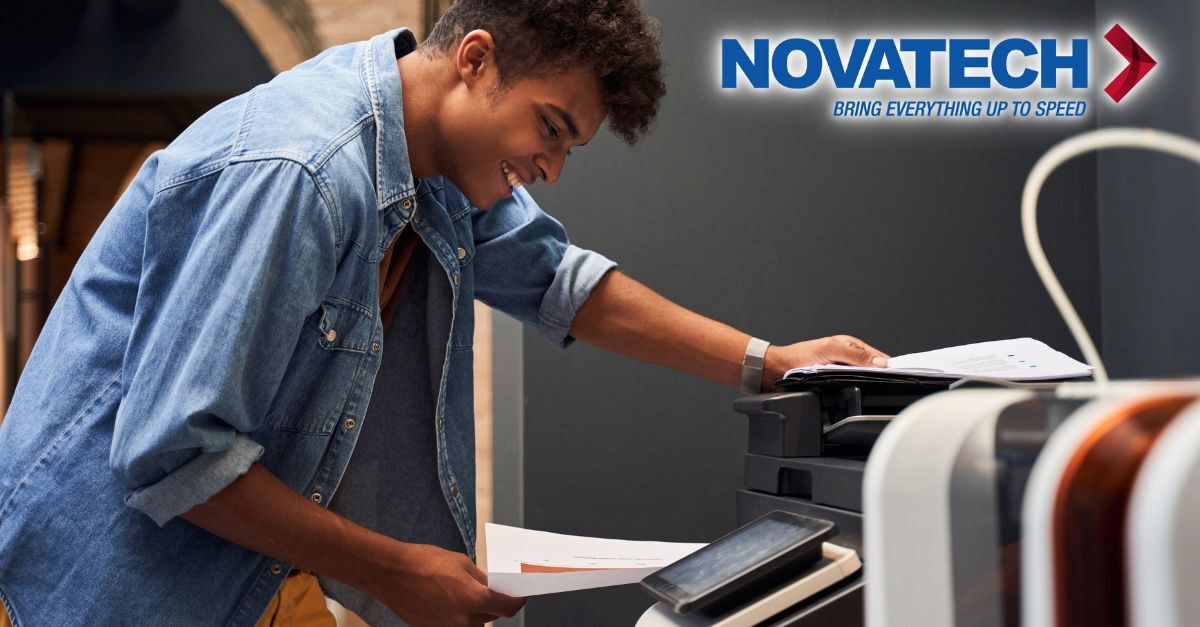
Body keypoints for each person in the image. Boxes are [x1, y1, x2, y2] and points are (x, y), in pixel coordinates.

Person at [0, 1, 888, 625]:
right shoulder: (303, 172)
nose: (552, 168)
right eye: (550, 129)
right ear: (475, 59)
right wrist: (398, 569)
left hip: (240, 579)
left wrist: (769, 360)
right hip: (92, 590)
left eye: (570, 147)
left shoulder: (437, 169)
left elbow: (559, 282)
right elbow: (174, 452)